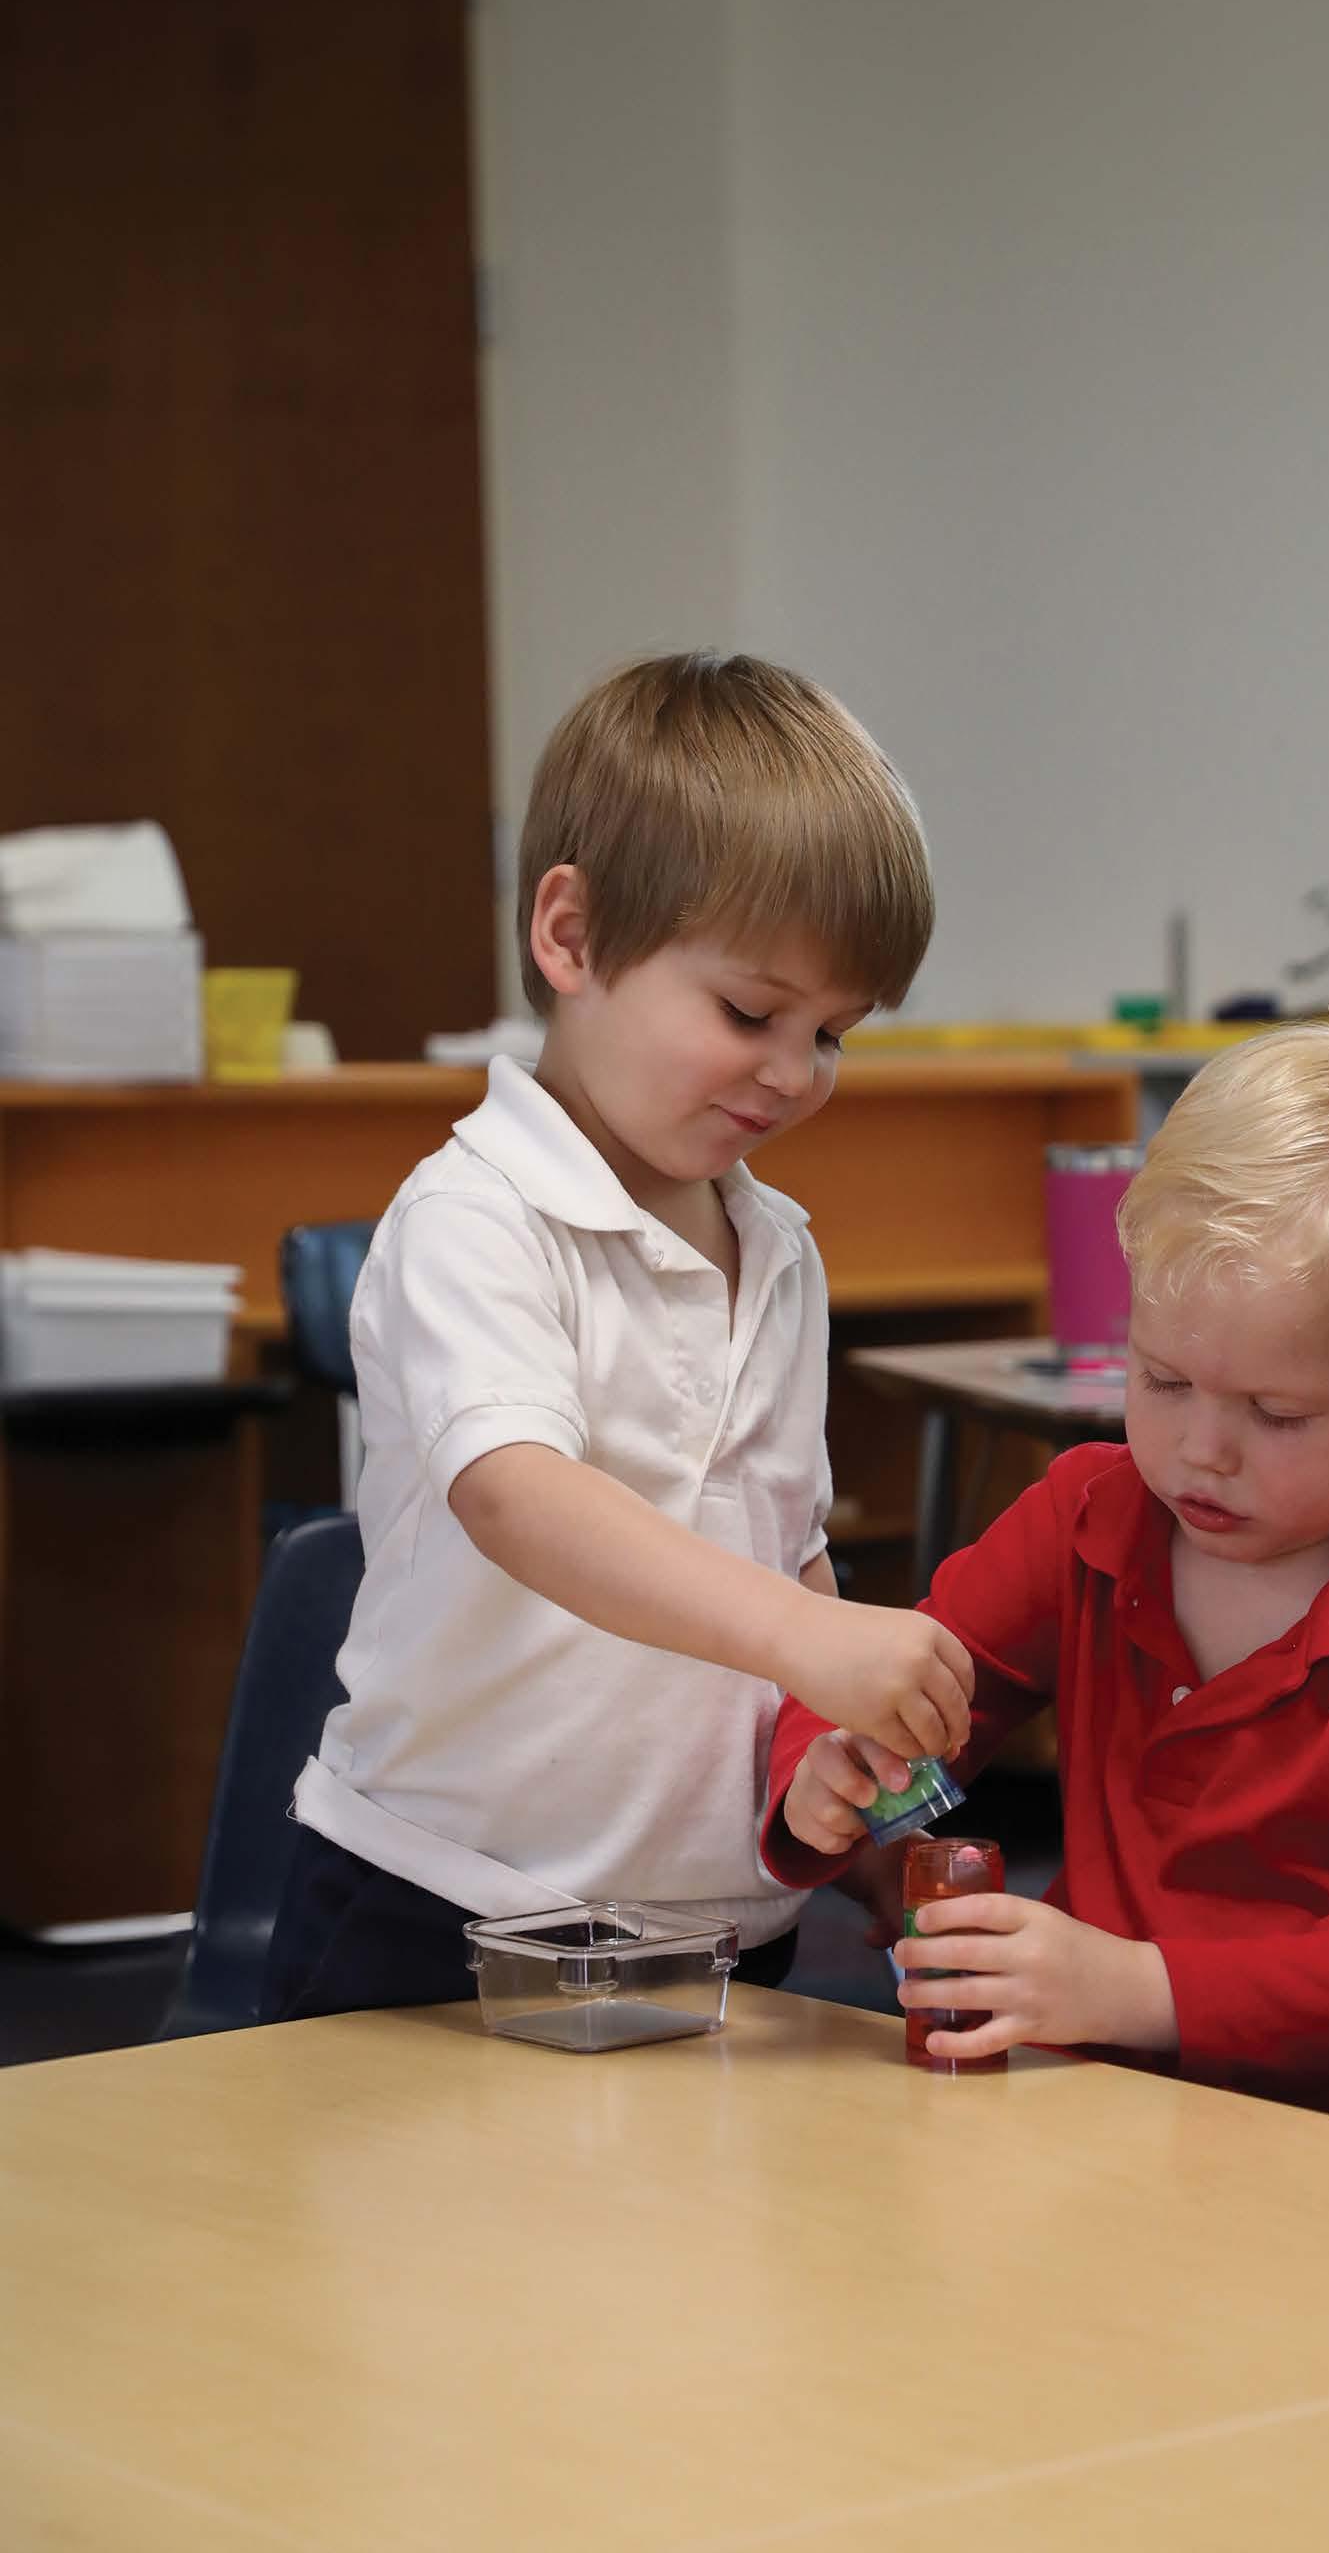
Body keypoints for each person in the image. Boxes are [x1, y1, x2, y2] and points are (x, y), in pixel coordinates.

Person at [266, 652, 973, 2021]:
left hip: (719, 1928)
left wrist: (857, 1788)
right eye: (749, 1012)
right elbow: (518, 1495)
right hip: (446, 1908)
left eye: (832, 1034)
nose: (792, 1072)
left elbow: (788, 1547)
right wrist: (802, 1634)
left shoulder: (779, 1250)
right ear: (572, 935)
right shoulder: (475, 1213)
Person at [766, 1014, 1329, 2160]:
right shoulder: (1088, 1517)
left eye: (1277, 1413)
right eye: (1159, 1378)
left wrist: (1127, 1986)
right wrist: (828, 1775)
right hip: (1141, 2097)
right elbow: (883, 1678)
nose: (1201, 1450)